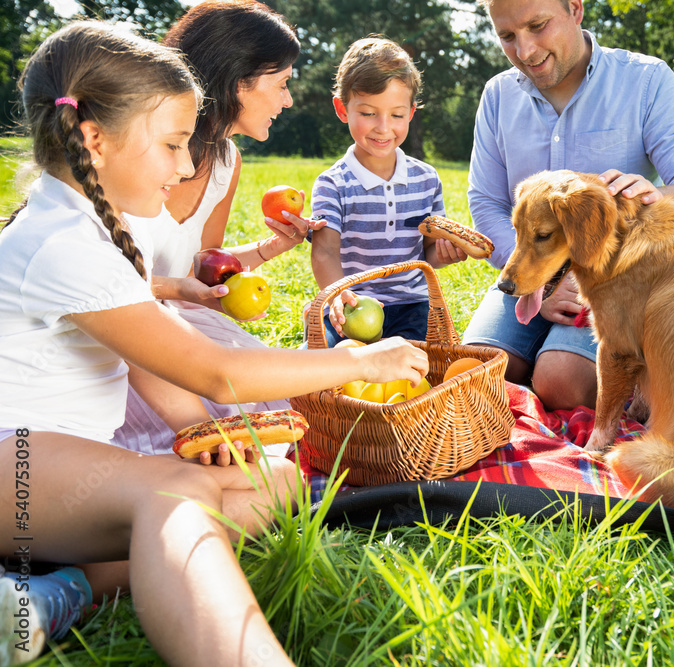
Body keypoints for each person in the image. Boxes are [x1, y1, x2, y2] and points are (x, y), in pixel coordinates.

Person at [0, 21, 428, 664]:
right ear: (94, 139)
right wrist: (352, 360)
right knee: (176, 497)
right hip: (20, 468)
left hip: (60, 470)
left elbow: (150, 369)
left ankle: (60, 592)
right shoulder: (63, 241)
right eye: (171, 144)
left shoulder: (85, 226)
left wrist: (209, 436)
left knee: (279, 481)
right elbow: (218, 374)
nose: (182, 165)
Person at [462, 0, 674, 411]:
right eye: (508, 37)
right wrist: (538, 280)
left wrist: (650, 200)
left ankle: (623, 392)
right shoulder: (497, 95)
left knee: (562, 384)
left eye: (538, 26)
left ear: (575, 8)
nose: (527, 51)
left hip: (614, 281)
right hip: (525, 276)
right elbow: (486, 202)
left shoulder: (645, 80)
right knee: (473, 374)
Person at [112, 0, 326, 457]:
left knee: (286, 406)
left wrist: (270, 248)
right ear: (237, 81)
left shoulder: (227, 161)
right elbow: (94, 283)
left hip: (178, 321)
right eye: (282, 83)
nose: (288, 99)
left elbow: (202, 272)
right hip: (122, 338)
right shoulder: (139, 156)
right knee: (222, 431)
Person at [310, 36, 467, 346]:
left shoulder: (426, 179)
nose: (383, 127)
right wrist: (339, 292)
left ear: (410, 112)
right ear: (342, 109)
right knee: (326, 360)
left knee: (425, 362)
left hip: (412, 305)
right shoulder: (332, 184)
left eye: (396, 115)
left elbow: (429, 253)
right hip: (352, 303)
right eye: (368, 113)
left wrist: (447, 254)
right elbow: (325, 251)